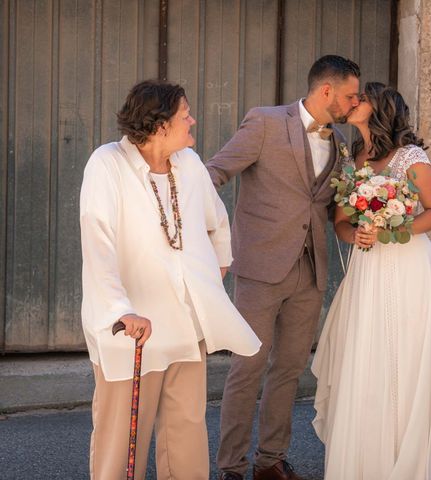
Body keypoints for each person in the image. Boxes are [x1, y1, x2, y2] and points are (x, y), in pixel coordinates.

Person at [80, 80, 261, 480]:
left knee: (185, 439)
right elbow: (98, 243)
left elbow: (217, 225)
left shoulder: (190, 164)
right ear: (161, 125)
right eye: (185, 115)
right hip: (133, 330)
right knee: (121, 443)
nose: (193, 120)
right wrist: (119, 310)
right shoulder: (106, 164)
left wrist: (211, 280)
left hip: (184, 325)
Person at [205, 55, 361, 480]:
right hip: (260, 265)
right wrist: (193, 227)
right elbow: (215, 172)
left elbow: (329, 206)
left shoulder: (342, 143)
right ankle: (231, 466)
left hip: (311, 270)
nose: (355, 103)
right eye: (350, 95)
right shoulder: (265, 122)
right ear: (326, 90)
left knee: (290, 368)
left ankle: (270, 460)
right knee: (247, 366)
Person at [311, 82, 431, 479]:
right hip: (368, 267)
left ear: (380, 109)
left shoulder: (409, 156)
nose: (352, 101)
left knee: (405, 355)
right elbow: (342, 224)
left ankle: (407, 458)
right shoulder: (351, 160)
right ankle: (366, 460)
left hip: (408, 264)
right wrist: (359, 234)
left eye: (361, 98)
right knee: (366, 352)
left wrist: (391, 230)